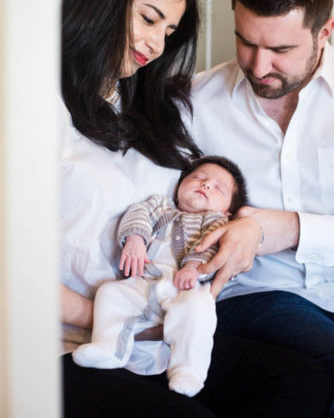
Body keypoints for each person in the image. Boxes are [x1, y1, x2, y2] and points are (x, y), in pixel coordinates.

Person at [60, 0, 332, 417]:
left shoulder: (147, 108)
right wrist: (114, 318)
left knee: (301, 382)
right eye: (148, 19)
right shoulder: (37, 102)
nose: (156, 45)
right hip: (74, 333)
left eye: (168, 31)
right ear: (102, 0)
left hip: (161, 319)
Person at [189, 0, 334, 418]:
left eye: (280, 49)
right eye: (246, 42)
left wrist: (288, 229)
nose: (259, 67)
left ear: (325, 31)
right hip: (256, 293)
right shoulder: (195, 104)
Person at [73, 156, 247, 397]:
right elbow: (139, 213)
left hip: (186, 286)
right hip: (144, 281)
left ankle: (188, 370)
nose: (206, 184)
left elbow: (213, 246)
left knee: (199, 311)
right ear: (179, 188)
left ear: (228, 212)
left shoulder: (216, 222)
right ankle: (109, 347)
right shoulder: (161, 205)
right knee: (111, 293)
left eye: (218, 188)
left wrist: (194, 266)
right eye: (198, 177)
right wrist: (135, 238)